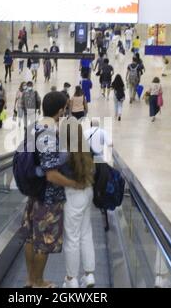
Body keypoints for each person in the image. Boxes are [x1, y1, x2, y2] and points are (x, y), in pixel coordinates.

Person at [21, 92, 85, 288]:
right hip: (48, 199)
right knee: (44, 243)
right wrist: (75, 184)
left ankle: (31, 280)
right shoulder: (48, 135)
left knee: (31, 238)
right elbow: (52, 175)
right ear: (60, 110)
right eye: (65, 109)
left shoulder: (35, 127)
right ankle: (38, 282)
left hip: (34, 193)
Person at [62, 122, 96, 288]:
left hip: (72, 196)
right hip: (88, 192)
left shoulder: (64, 153)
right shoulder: (86, 149)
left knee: (72, 238)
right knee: (86, 233)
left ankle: (72, 278)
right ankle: (89, 275)